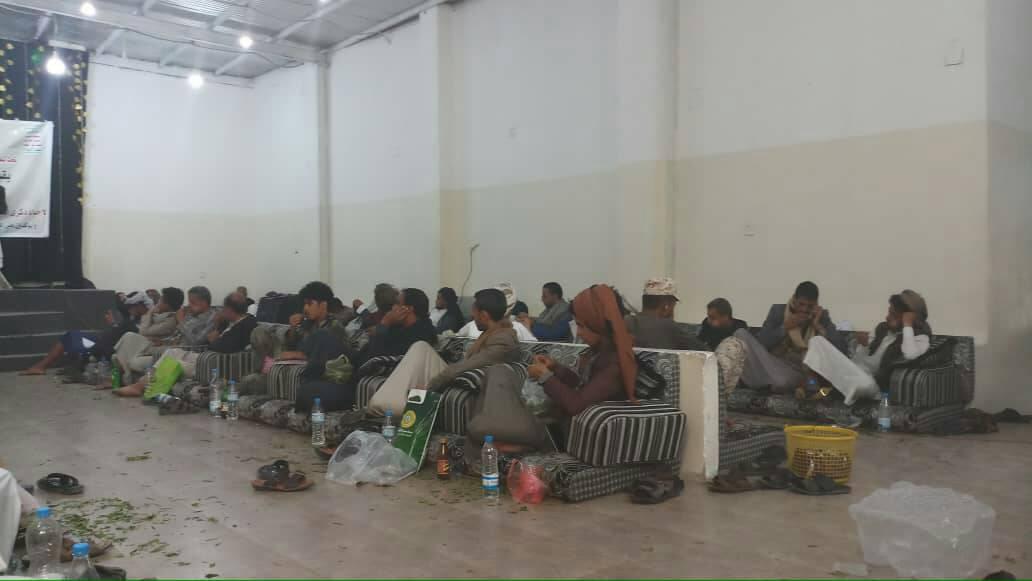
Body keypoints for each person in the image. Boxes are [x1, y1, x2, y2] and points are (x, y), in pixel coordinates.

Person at [366, 288, 520, 417]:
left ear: (484, 315)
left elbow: (467, 366)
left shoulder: (503, 341)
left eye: (474, 312)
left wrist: (429, 386)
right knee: (420, 348)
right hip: (452, 372)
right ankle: (390, 403)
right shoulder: (492, 333)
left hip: (457, 377)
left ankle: (393, 406)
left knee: (420, 347)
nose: (472, 316)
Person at [297, 287, 437, 414]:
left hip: (356, 382)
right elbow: (365, 353)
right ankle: (313, 376)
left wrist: (384, 325)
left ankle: (315, 379)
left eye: (396, 303)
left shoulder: (420, 335)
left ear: (408, 309)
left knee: (306, 392)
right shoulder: (399, 328)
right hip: (356, 366)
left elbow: (375, 357)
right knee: (323, 337)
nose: (392, 307)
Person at [114, 293, 259, 397]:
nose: (221, 312)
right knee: (172, 352)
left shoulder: (246, 325)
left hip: (214, 364)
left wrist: (215, 337)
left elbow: (223, 347)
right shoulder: (230, 323)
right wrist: (218, 327)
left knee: (173, 362)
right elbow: (216, 341)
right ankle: (141, 386)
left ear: (229, 310)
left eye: (224, 309)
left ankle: (142, 387)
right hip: (206, 356)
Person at [804, 290, 932, 404]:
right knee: (817, 341)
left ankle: (832, 391)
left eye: (893, 315)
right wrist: (862, 345)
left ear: (907, 318)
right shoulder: (882, 329)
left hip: (872, 384)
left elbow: (910, 354)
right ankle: (819, 388)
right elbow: (861, 360)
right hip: (853, 372)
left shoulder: (920, 337)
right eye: (889, 312)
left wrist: (907, 325)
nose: (887, 317)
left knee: (863, 383)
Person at [528, 284, 638, 416]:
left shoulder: (615, 364)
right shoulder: (599, 351)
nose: (578, 333)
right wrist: (555, 367)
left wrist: (544, 377)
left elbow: (576, 404)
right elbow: (582, 386)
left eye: (581, 326)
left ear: (597, 324)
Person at [736, 281, 846, 393]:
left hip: (797, 370)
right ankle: (763, 381)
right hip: (772, 361)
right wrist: (784, 327)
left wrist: (818, 326)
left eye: (810, 306)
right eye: (801, 304)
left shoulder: (822, 317)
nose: (804, 309)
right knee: (740, 334)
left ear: (816, 304)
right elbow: (762, 343)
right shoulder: (778, 311)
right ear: (794, 300)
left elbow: (841, 350)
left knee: (782, 382)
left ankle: (760, 381)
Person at [19, 291, 149, 376]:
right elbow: (118, 332)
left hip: (102, 347)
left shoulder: (144, 321)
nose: (131, 308)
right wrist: (113, 324)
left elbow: (127, 337)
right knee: (71, 335)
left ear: (141, 305)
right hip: (100, 340)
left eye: (134, 305)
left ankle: (41, 367)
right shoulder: (133, 318)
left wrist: (114, 324)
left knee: (71, 338)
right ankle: (42, 366)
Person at [112, 287, 184, 378]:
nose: (158, 302)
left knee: (129, 337)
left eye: (161, 300)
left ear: (167, 304)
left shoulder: (170, 320)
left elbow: (143, 331)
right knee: (128, 336)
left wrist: (150, 312)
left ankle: (126, 373)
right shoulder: (158, 316)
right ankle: (126, 371)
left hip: (154, 348)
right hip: (149, 344)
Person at [625, 277, 709, 350]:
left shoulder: (627, 321)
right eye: (673, 305)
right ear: (666, 306)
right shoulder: (669, 327)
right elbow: (706, 351)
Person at [458, 283, 537, 342]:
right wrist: (527, 328)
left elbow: (454, 339)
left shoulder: (473, 325)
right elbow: (535, 347)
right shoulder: (518, 327)